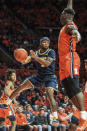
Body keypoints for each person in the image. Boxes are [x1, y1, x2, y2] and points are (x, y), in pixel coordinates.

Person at [6, 37, 58, 120]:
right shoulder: (36, 53)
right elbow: (26, 60)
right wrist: (21, 58)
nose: (46, 44)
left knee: (49, 95)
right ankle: (7, 102)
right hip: (39, 76)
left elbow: (47, 63)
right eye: (44, 42)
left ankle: (55, 117)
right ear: (41, 44)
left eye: (47, 42)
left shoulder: (51, 52)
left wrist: (35, 57)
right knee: (21, 87)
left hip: (50, 76)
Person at [58, 0, 87, 130]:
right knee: (68, 90)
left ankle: (84, 116)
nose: (60, 16)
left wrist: (77, 35)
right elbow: (69, 9)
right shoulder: (67, 21)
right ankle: (82, 112)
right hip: (63, 61)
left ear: (66, 16)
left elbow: (74, 30)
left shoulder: (69, 25)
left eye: (61, 14)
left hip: (70, 58)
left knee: (74, 87)